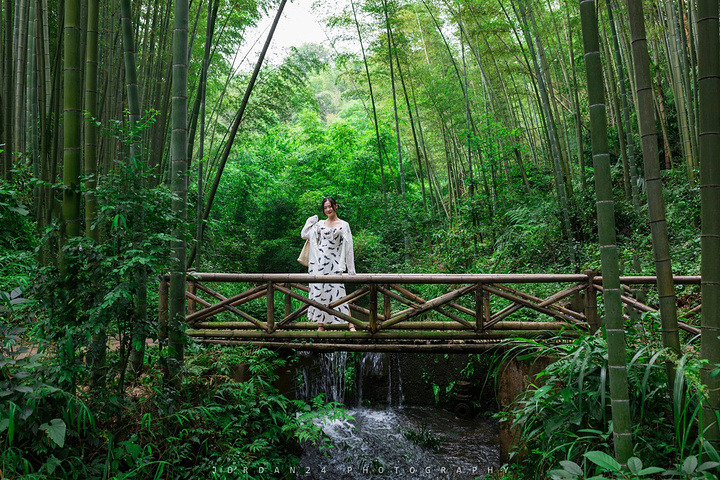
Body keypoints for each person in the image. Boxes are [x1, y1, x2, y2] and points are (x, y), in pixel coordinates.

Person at [301, 196, 356, 331]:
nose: (328, 209)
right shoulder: (319, 224)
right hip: (319, 263)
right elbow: (304, 234)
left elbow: (349, 248)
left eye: (330, 206)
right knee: (320, 292)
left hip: (335, 263)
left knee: (339, 292)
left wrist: (351, 270)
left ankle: (350, 323)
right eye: (325, 207)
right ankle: (321, 325)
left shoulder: (344, 225)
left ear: (335, 206)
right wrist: (310, 221)